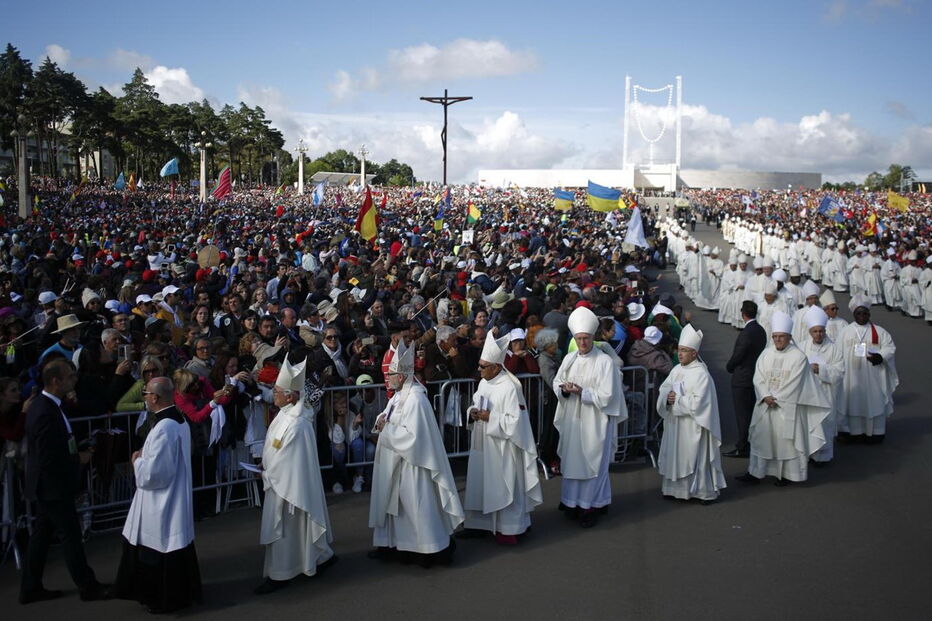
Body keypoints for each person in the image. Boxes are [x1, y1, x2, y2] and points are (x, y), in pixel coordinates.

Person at [20, 358, 110, 605]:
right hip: (52, 485)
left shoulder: (51, 406)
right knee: (70, 535)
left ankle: (30, 586)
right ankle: (87, 585)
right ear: (55, 381)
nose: (75, 380)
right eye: (70, 376)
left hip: (49, 484)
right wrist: (76, 459)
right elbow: (48, 454)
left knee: (41, 535)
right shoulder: (44, 409)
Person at [368, 339, 463, 566]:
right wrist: (381, 422)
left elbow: (413, 438)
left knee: (417, 507)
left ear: (401, 377)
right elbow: (386, 419)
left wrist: (387, 429)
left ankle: (429, 550)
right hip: (395, 463)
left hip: (414, 465)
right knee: (398, 509)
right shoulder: (399, 396)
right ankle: (396, 546)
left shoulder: (417, 400)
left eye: (391, 375)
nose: (388, 379)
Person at [114, 376, 201, 614]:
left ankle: (164, 598)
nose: (144, 398)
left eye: (145, 394)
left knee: (160, 546)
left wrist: (138, 461)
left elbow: (155, 474)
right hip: (174, 493)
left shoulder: (165, 426)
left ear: (154, 397)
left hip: (162, 499)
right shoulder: (177, 420)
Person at [255, 357, 336, 594]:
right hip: (280, 482)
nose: (274, 394)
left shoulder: (298, 423)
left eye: (278, 391)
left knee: (286, 531)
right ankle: (312, 560)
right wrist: (265, 463)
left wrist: (268, 472)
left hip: (288, 489)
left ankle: (281, 572)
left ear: (291, 396)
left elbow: (290, 461)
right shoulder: (284, 414)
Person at [463, 331, 542, 544]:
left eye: (483, 366)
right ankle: (480, 525)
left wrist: (490, 417)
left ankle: (509, 528)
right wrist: (472, 412)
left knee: (504, 485)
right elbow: (476, 402)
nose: (479, 370)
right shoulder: (484, 383)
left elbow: (516, 421)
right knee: (480, 483)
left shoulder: (510, 387)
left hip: (502, 446)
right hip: (482, 442)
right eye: (479, 365)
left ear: (496, 367)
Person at [552, 306, 626, 528]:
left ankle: (590, 506)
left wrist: (582, 392)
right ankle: (572, 502)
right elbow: (557, 380)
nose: (582, 343)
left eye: (586, 338)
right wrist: (564, 389)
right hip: (573, 421)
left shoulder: (604, 362)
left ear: (593, 337)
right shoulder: (570, 358)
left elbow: (608, 395)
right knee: (573, 461)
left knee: (592, 464)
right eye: (579, 338)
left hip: (595, 421)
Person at [737, 312, 831, 486]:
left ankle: (786, 474)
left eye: (781, 337)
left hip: (786, 408)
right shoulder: (766, 354)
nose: (778, 340)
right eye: (775, 337)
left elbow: (795, 383)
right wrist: (765, 395)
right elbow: (758, 377)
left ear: (789, 337)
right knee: (760, 439)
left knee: (784, 444)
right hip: (765, 405)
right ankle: (755, 472)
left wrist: (776, 398)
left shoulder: (798, 357)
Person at [655, 324, 726, 502]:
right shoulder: (676, 369)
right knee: (675, 456)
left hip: (693, 425)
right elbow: (664, 389)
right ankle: (674, 490)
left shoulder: (701, 374)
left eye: (685, 351)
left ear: (694, 353)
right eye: (679, 350)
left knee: (695, 458)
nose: (680, 354)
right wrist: (666, 398)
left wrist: (677, 400)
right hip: (675, 424)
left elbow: (700, 403)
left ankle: (701, 491)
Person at [837, 296, 898, 443]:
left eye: (865, 313)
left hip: (873, 376)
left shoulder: (880, 332)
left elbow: (890, 347)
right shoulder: (845, 332)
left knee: (873, 400)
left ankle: (875, 432)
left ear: (869, 314)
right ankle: (853, 432)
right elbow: (837, 353)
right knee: (852, 402)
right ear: (854, 315)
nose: (862, 316)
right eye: (859, 313)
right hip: (851, 376)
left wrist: (880, 357)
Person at [798, 306, 845, 464]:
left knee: (824, 424)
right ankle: (808, 454)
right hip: (808, 393)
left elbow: (840, 371)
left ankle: (822, 456)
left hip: (825, 393)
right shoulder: (802, 347)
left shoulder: (833, 348)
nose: (818, 334)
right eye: (815, 331)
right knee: (808, 423)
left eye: (821, 331)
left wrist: (821, 370)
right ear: (810, 332)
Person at [723, 300, 767, 458]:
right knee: (751, 413)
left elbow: (739, 354)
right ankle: (750, 442)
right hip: (756, 374)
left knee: (742, 415)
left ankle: (743, 446)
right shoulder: (761, 330)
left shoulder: (746, 333)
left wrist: (729, 366)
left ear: (743, 314)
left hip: (742, 378)